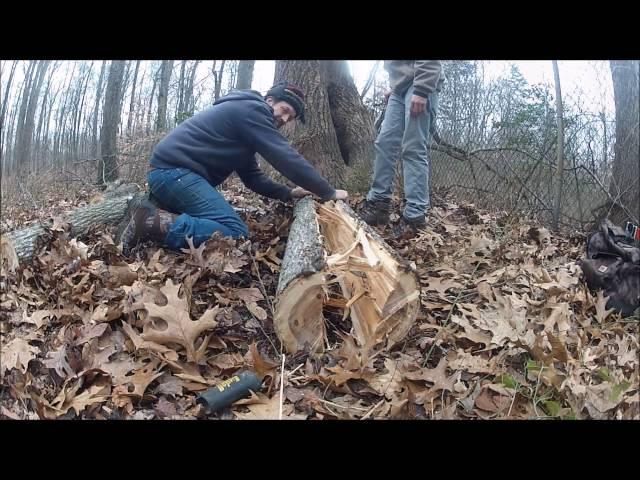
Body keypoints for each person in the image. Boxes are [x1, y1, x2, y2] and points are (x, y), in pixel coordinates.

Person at [116, 81, 348, 253]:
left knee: (222, 222)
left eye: (291, 118)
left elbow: (253, 178)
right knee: (234, 230)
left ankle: (151, 213)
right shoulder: (253, 110)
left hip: (172, 174)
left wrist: (288, 193)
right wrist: (326, 191)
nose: (285, 120)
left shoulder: (245, 126)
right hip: (174, 173)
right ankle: (146, 221)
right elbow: (283, 155)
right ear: (270, 101)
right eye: (285, 110)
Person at [360, 61, 445, 232]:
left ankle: (415, 217)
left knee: (413, 147)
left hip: (421, 82)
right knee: (384, 143)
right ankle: (379, 204)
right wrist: (396, 86)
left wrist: (422, 89)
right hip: (399, 89)